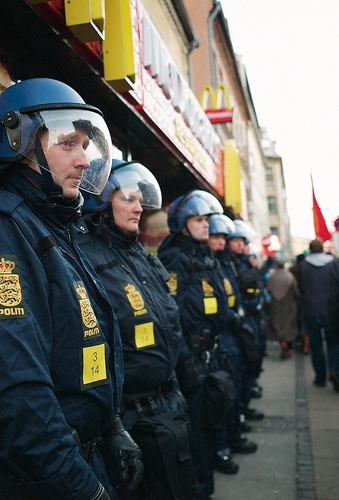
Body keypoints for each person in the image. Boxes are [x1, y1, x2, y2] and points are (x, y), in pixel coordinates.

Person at [0, 78, 143, 500]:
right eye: (68, 143)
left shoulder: (54, 227)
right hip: (48, 480)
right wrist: (84, 490)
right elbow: (20, 396)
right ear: (18, 142)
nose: (84, 160)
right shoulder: (10, 232)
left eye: (86, 145)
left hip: (82, 456)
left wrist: (111, 426)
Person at [77, 159, 198, 499]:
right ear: (101, 201)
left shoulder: (141, 254)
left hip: (166, 403)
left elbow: (169, 317)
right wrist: (112, 423)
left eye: (139, 201)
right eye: (127, 199)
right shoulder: (84, 257)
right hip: (128, 416)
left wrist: (184, 365)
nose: (138, 208)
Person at [157, 190, 238, 500]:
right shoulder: (177, 256)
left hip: (209, 353)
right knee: (198, 440)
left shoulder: (203, 254)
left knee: (214, 420)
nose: (206, 226)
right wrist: (184, 360)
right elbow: (170, 312)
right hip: (191, 358)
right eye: (199, 220)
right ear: (182, 223)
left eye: (207, 220)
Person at [207, 214, 258, 471]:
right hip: (219, 337)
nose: (223, 242)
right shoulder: (211, 263)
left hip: (232, 334)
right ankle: (223, 444)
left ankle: (233, 433)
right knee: (222, 395)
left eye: (223, 238)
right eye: (216, 237)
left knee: (235, 385)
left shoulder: (227, 263)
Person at [225, 221, 265, 421]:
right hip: (238, 324)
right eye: (236, 241)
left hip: (250, 319)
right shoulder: (229, 263)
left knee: (251, 362)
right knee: (240, 369)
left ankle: (245, 405)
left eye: (243, 241)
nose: (240, 245)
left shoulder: (242, 262)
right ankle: (240, 410)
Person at [298, 238, 336, 388]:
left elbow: (301, 287)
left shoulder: (303, 265)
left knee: (316, 345)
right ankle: (334, 370)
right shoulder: (333, 263)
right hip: (330, 310)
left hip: (310, 310)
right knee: (333, 344)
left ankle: (320, 378)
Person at [266, 259, 299, 359]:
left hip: (275, 305)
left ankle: (282, 343)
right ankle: (287, 346)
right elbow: (296, 292)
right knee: (288, 325)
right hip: (289, 305)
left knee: (277, 325)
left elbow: (268, 289)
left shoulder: (271, 277)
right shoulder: (290, 277)